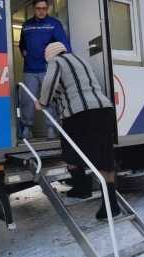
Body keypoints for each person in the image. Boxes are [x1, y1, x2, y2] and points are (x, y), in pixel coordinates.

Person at [36, 42, 119, 221]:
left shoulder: (56, 62)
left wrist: (42, 103)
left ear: (50, 56)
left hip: (80, 115)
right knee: (104, 159)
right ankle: (111, 204)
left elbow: (49, 83)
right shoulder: (81, 60)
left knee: (70, 151)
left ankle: (82, 188)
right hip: (104, 110)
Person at [18, 0, 70, 139]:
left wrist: (63, 63)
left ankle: (51, 129)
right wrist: (23, 51)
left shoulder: (54, 24)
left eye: (44, 9)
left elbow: (64, 45)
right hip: (29, 69)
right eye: (38, 9)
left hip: (48, 69)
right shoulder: (26, 25)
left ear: (47, 9)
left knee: (50, 99)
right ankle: (27, 129)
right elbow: (22, 44)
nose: (41, 11)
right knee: (27, 100)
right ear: (33, 9)